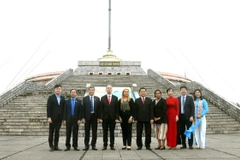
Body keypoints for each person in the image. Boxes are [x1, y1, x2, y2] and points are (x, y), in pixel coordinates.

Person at [99, 85, 119, 150]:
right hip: (105, 118)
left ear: (112, 89)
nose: (109, 89)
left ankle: (112, 145)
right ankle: (105, 145)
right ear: (106, 89)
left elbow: (117, 109)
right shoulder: (102, 98)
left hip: (112, 118)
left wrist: (116, 118)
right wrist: (100, 118)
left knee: (112, 132)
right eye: (108, 88)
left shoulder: (115, 98)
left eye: (110, 88)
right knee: (105, 132)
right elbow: (101, 109)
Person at [47, 84, 65, 151]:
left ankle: (56, 146)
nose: (58, 90)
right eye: (57, 89)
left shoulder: (62, 98)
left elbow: (63, 108)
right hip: (52, 118)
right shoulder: (51, 98)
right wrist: (49, 117)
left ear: (61, 90)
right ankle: (51, 146)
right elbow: (48, 108)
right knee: (51, 132)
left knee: (57, 132)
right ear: (54, 89)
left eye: (59, 89)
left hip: (59, 118)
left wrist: (63, 118)